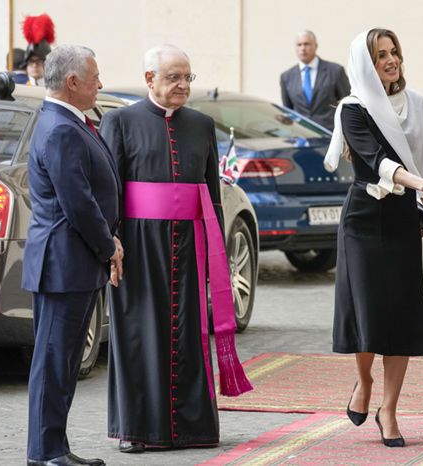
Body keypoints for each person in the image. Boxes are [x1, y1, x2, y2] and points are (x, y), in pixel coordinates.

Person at [100, 44, 251, 454]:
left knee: (188, 332)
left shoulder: (201, 124)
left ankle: (192, 427)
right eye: (173, 78)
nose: (183, 85)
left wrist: (215, 253)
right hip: (137, 246)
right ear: (150, 79)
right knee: (139, 334)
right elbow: (110, 190)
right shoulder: (120, 121)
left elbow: (212, 194)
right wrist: (110, 245)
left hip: (189, 246)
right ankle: (137, 429)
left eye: (188, 77)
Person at [325, 28, 423, 448]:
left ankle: (390, 409)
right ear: (366, 64)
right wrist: (421, 185)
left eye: (394, 52)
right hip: (362, 218)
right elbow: (378, 163)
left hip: (400, 219)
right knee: (367, 313)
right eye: (381, 55)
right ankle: (363, 381)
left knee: (402, 316)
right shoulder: (353, 109)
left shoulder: (417, 105)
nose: (391, 60)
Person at [22, 44, 122, 466]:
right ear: (73, 82)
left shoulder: (67, 121)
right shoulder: (61, 127)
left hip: (72, 263)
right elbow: (77, 202)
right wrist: (109, 246)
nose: (101, 83)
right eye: (95, 76)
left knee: (62, 364)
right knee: (53, 363)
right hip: (64, 263)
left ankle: (55, 448)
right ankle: (45, 453)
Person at [280, 30, 350, 130]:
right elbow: (288, 110)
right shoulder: (286, 77)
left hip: (330, 133)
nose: (303, 48)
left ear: (315, 46)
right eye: (299, 45)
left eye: (306, 44)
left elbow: (348, 103)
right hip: (302, 134)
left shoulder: (335, 71)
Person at [21, 14, 56, 86]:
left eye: (39, 61)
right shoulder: (20, 88)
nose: (34, 65)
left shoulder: (55, 90)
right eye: (31, 61)